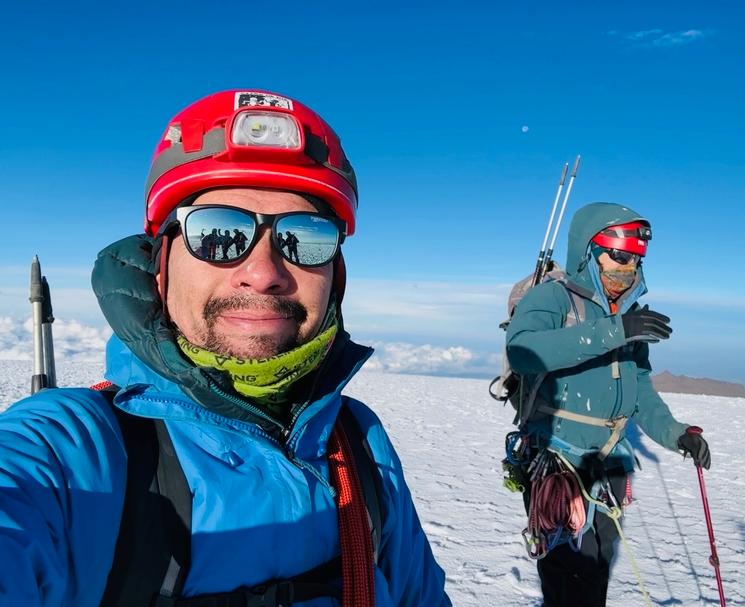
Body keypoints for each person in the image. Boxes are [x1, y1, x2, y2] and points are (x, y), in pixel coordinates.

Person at [0, 90, 450, 606]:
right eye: (219, 234)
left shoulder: (359, 442)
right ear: (161, 261)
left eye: (304, 237)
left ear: (335, 275)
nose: (263, 273)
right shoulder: (68, 451)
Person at [505, 202, 711, 607]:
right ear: (589, 251)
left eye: (635, 258)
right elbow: (522, 350)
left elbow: (640, 389)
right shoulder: (555, 298)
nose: (627, 266)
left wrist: (676, 435)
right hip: (556, 459)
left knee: (598, 565)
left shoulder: (628, 314)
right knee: (565, 568)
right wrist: (615, 330)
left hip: (611, 461)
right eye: (619, 255)